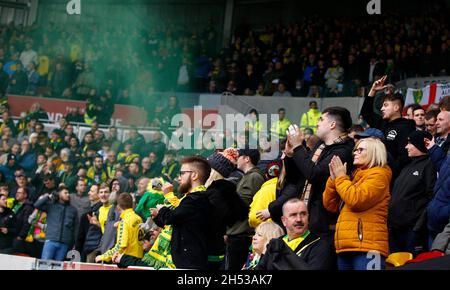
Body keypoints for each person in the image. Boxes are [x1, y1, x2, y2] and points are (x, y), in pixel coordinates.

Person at [323, 137, 392, 270]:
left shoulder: (379, 175)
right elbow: (330, 205)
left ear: (374, 152)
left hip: (369, 247)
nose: (355, 153)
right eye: (355, 150)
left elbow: (356, 200)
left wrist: (341, 177)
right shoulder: (355, 175)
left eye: (360, 150)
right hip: (346, 245)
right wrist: (333, 180)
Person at [150, 156, 212, 269]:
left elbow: (171, 217)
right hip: (186, 260)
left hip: (189, 263)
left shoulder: (196, 199)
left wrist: (162, 208)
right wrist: (158, 217)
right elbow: (177, 223)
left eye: (182, 173)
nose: (179, 178)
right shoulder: (193, 198)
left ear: (194, 175)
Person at [388, 131, 437, 255]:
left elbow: (431, 197)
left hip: (412, 230)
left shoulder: (429, 166)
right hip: (395, 228)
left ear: (420, 145)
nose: (406, 146)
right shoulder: (407, 167)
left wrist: (418, 227)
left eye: (410, 143)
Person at [360, 75, 416, 177]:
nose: (381, 109)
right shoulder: (382, 122)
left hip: (394, 177)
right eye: (382, 106)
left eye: (385, 105)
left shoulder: (406, 127)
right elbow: (366, 113)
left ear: (396, 107)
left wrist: (389, 171)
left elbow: (405, 157)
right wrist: (373, 90)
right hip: (379, 173)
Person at [255, 198, 333, 270]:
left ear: (308, 217)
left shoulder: (320, 245)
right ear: (284, 220)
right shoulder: (276, 244)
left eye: (303, 214)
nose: (299, 219)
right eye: (293, 215)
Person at [225, 148, 265, 270]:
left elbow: (245, 204)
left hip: (242, 236)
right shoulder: (247, 176)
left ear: (247, 159)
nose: (237, 159)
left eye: (239, 156)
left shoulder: (254, 177)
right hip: (236, 234)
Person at [96, 192, 143, 263]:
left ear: (118, 207)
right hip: (138, 259)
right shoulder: (138, 218)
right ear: (132, 205)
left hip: (127, 261)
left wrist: (103, 256)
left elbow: (120, 246)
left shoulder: (124, 222)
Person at [34, 186, 79, 261]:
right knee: (44, 265)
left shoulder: (73, 210)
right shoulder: (51, 206)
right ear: (59, 194)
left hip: (65, 243)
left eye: (68, 193)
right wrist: (48, 197)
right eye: (65, 193)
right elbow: (37, 205)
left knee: (58, 266)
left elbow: (75, 228)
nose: (68, 195)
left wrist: (75, 243)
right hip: (51, 240)